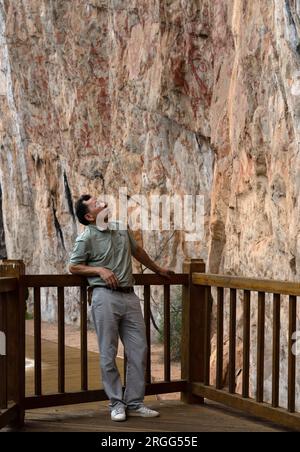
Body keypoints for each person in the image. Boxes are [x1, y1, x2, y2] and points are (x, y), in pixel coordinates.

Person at [68, 194, 173, 422]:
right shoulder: (86, 238)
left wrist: (157, 270)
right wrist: (99, 271)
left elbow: (138, 252)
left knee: (139, 349)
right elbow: (73, 265)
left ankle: (135, 402)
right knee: (108, 352)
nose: (103, 203)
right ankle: (116, 403)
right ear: (89, 216)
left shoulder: (120, 228)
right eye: (96, 204)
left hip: (129, 296)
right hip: (104, 297)